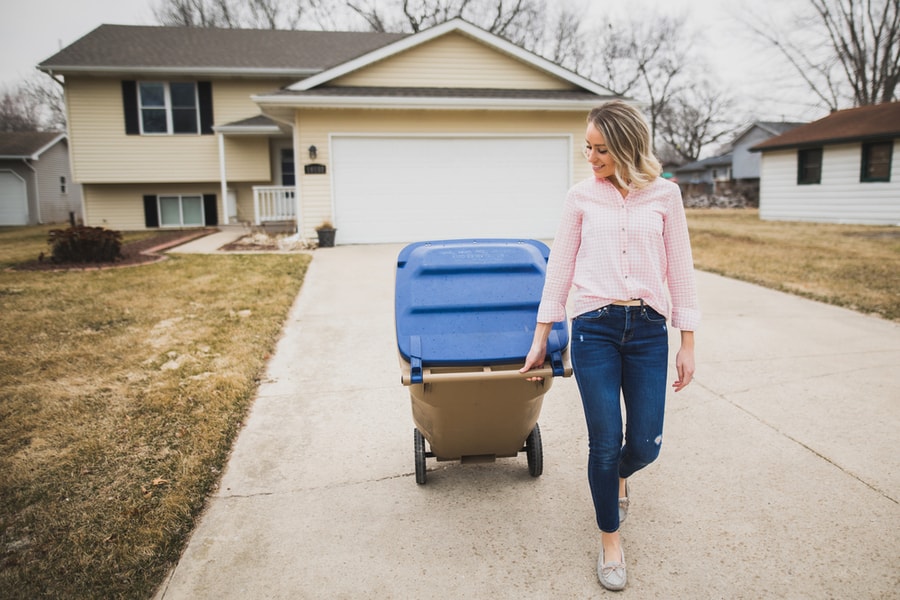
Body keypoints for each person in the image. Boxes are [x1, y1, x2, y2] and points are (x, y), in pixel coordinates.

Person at [519, 100, 700, 591]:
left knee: (643, 444)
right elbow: (559, 268)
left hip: (647, 329)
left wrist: (687, 341)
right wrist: (542, 335)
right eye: (588, 148)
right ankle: (611, 542)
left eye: (601, 149)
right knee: (604, 441)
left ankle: (621, 476)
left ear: (626, 147)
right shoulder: (580, 197)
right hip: (594, 328)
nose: (592, 157)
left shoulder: (666, 196)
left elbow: (680, 269)